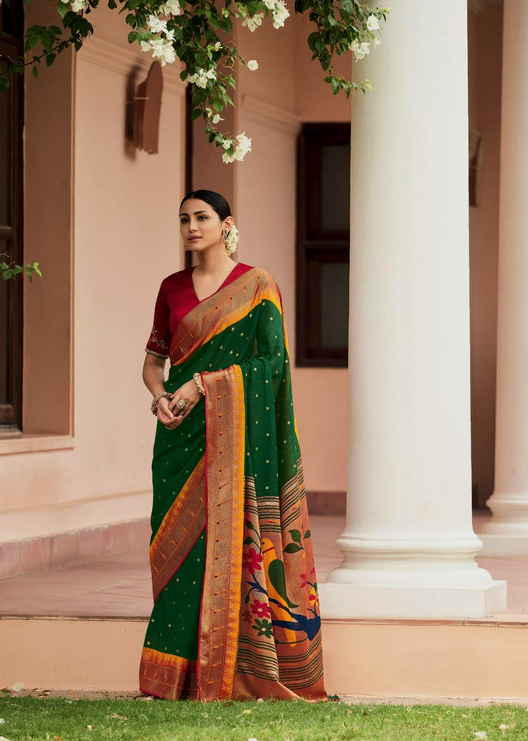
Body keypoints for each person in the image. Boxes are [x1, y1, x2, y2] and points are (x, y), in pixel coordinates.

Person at [139, 189, 326, 701]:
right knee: (175, 550)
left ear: (227, 224)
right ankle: (174, 674)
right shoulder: (171, 288)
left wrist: (204, 385)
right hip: (179, 438)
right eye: (184, 219)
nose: (192, 226)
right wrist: (160, 398)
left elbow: (272, 365)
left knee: (231, 544)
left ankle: (232, 670)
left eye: (202, 217)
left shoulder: (258, 286)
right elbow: (153, 365)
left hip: (236, 438)